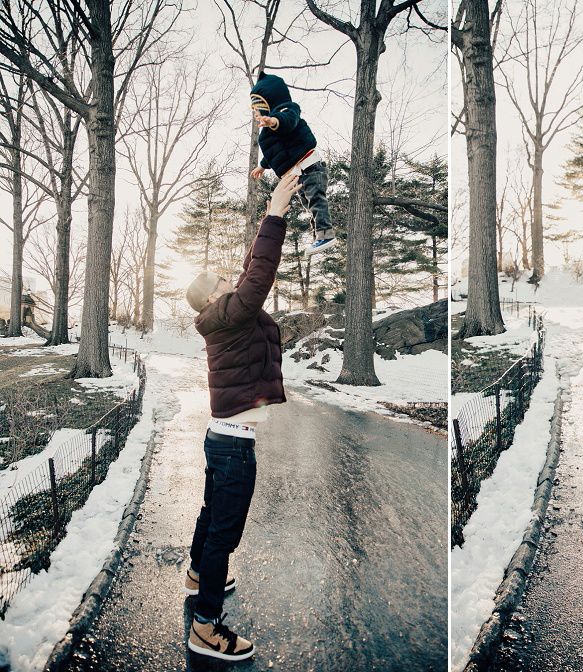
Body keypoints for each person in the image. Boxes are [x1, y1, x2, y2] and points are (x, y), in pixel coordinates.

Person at [182, 174, 302, 661]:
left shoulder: (223, 314)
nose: (228, 278)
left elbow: (252, 267)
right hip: (233, 447)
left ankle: (196, 573)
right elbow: (260, 274)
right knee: (224, 535)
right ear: (214, 298)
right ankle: (206, 628)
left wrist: (268, 216)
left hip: (221, 439)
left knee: (212, 517)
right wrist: (275, 212)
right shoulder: (232, 312)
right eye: (220, 281)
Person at [250, 70, 335, 256]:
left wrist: (273, 120)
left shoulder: (288, 110)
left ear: (268, 105)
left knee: (316, 201)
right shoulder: (268, 134)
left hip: (311, 167)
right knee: (309, 205)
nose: (256, 114)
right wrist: (263, 166)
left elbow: (287, 121)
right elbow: (275, 153)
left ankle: (326, 234)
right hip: (299, 175)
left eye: (257, 109)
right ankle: (319, 236)